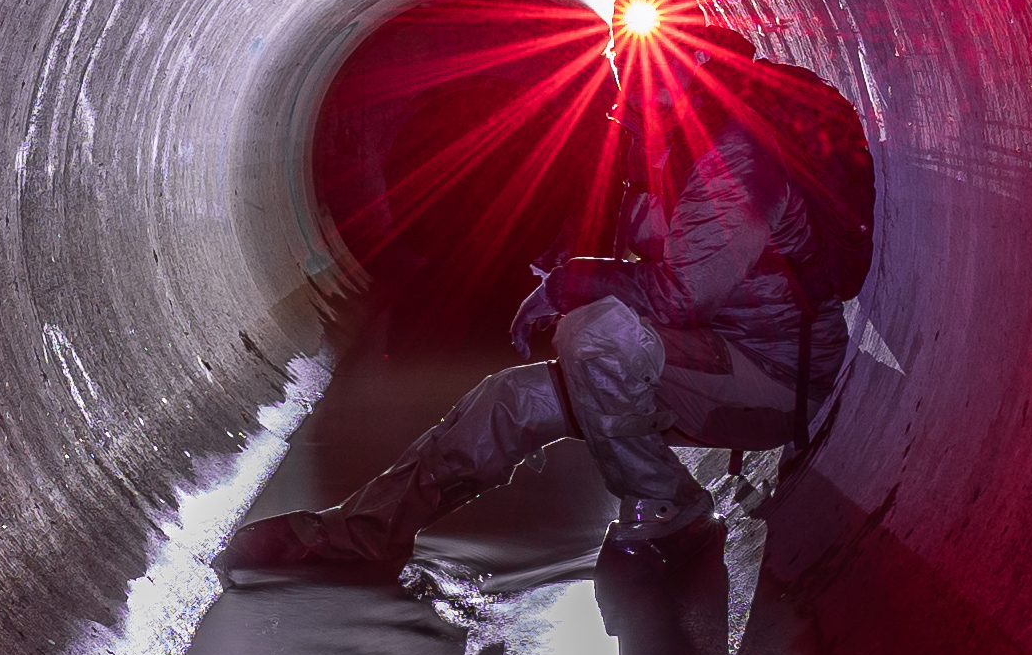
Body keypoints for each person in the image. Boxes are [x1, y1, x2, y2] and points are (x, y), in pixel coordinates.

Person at [227, 38, 866, 584]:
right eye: (624, 60)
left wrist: (569, 286)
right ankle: (364, 534)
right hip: (703, 363)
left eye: (646, 67)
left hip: (776, 377)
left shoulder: (734, 161)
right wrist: (572, 267)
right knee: (509, 399)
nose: (630, 79)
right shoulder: (664, 151)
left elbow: (679, 296)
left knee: (594, 333)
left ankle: (666, 504)